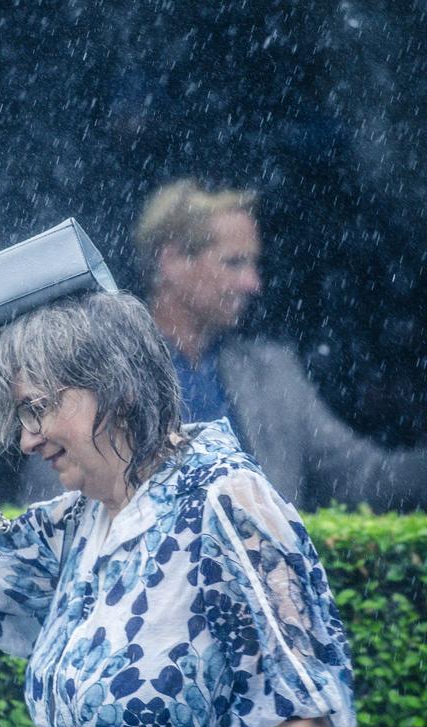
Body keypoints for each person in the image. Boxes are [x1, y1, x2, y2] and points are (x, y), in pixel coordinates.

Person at [0, 290, 354, 727]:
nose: (27, 439)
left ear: (116, 387)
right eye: (23, 415)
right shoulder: (80, 520)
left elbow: (302, 716)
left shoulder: (223, 500)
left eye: (38, 408)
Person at [22, 178, 427, 512]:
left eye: (253, 265)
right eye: (234, 263)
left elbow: (367, 477)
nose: (253, 284)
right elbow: (53, 513)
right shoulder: (92, 373)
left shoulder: (272, 373)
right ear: (172, 262)